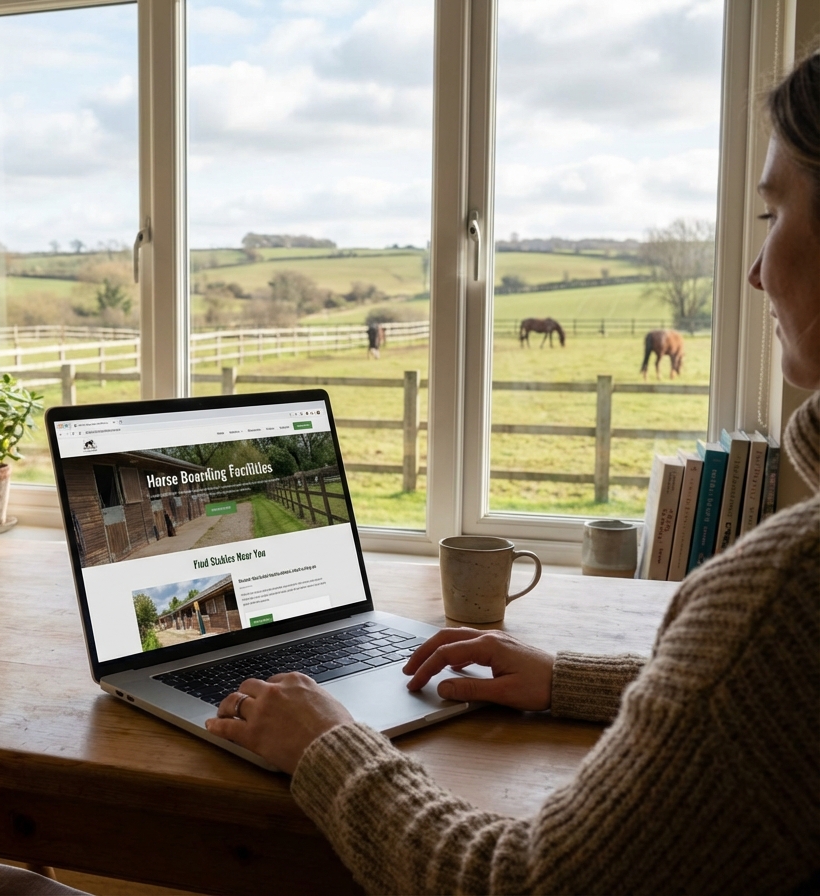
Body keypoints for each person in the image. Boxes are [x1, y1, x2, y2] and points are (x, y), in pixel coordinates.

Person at [206, 51, 820, 895]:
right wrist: (564, 679)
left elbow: (516, 884)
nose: (754, 270)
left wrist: (328, 744)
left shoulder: (789, 586)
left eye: (772, 212)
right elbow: (771, 710)